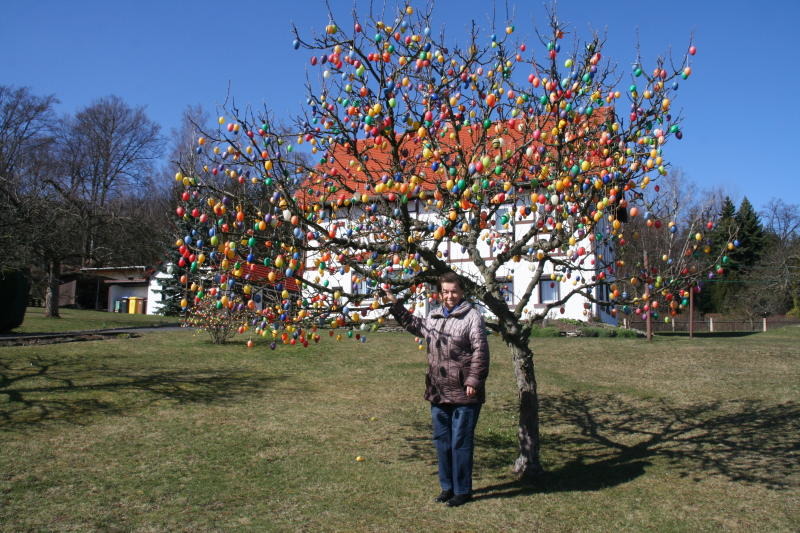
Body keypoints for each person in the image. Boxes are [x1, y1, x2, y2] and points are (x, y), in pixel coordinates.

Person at [384, 272, 489, 507]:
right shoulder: (434, 315)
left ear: (461, 292)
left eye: (453, 291)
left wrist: (473, 381)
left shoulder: (472, 317)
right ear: (440, 293)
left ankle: (462, 491)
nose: (449, 296)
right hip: (438, 390)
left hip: (464, 392)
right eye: (445, 291)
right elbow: (415, 325)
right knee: (442, 442)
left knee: (460, 443)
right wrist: (395, 303)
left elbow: (480, 351)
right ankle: (447, 488)